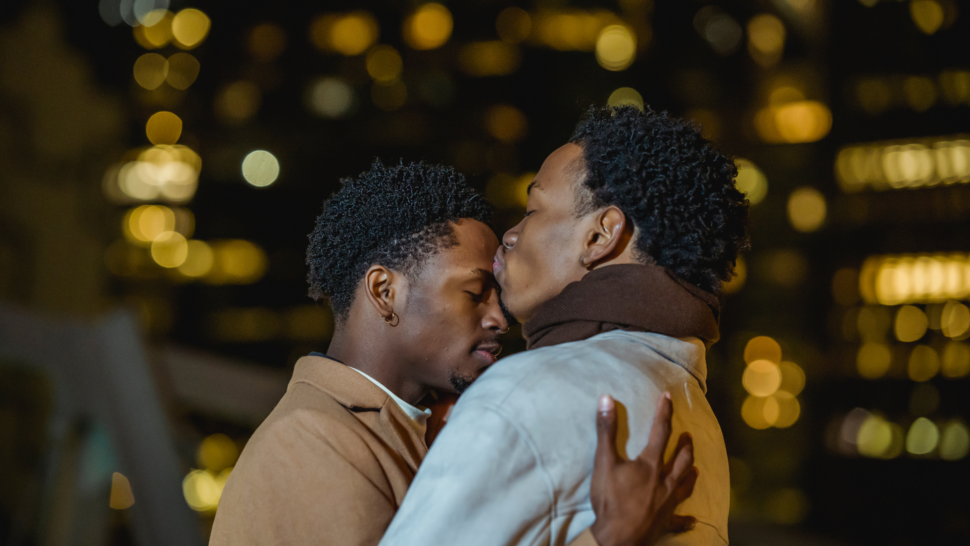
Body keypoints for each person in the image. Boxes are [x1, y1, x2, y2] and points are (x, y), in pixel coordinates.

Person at [209, 160, 699, 546]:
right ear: (384, 291)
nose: (499, 319)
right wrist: (609, 538)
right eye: (474, 293)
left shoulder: (417, 428)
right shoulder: (310, 440)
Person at [379, 105, 749, 545]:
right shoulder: (700, 422)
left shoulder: (526, 393)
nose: (510, 235)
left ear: (600, 235)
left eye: (533, 209)